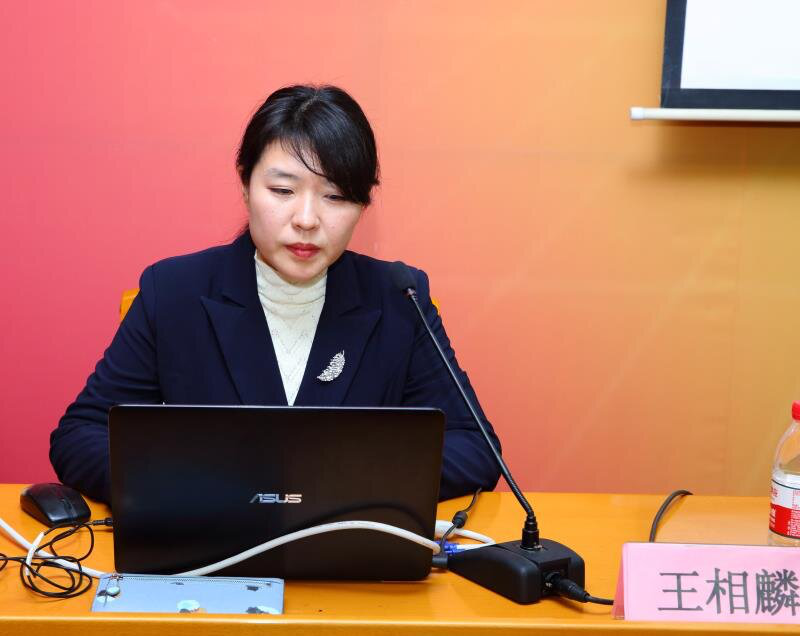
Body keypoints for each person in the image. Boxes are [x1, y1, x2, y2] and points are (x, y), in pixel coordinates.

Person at [49, 85, 502, 504]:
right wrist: (191, 485)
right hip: (212, 549)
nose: (306, 219)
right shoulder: (173, 292)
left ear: (363, 204)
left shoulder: (399, 299)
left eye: (335, 196)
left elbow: (475, 448)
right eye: (283, 190)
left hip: (349, 551)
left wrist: (342, 481)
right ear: (245, 185)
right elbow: (81, 435)